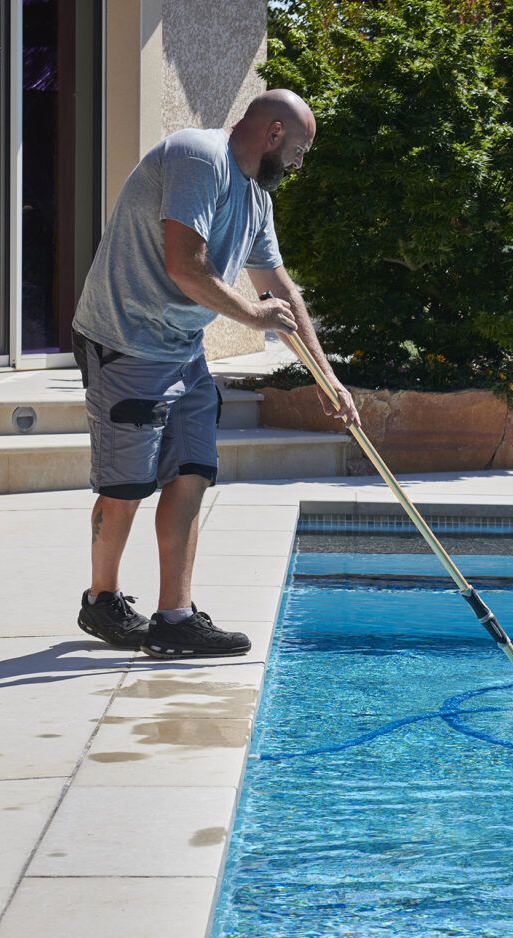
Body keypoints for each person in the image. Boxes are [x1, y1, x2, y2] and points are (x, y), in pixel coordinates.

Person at [72, 89, 358, 658]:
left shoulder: (256, 199)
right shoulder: (199, 157)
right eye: (299, 151)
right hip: (125, 341)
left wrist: (327, 378)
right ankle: (101, 601)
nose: (298, 165)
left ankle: (175, 618)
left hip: (183, 349)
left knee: (192, 471)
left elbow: (279, 289)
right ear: (274, 133)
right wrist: (253, 316)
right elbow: (186, 264)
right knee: (126, 485)